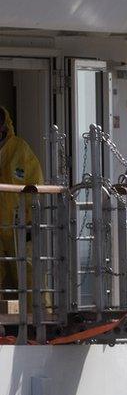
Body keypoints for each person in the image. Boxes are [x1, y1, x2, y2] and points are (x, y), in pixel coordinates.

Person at [0, 107, 43, 299]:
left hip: (17, 224)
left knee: (28, 274)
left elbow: (35, 185)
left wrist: (28, 219)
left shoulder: (20, 149)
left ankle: (39, 318)